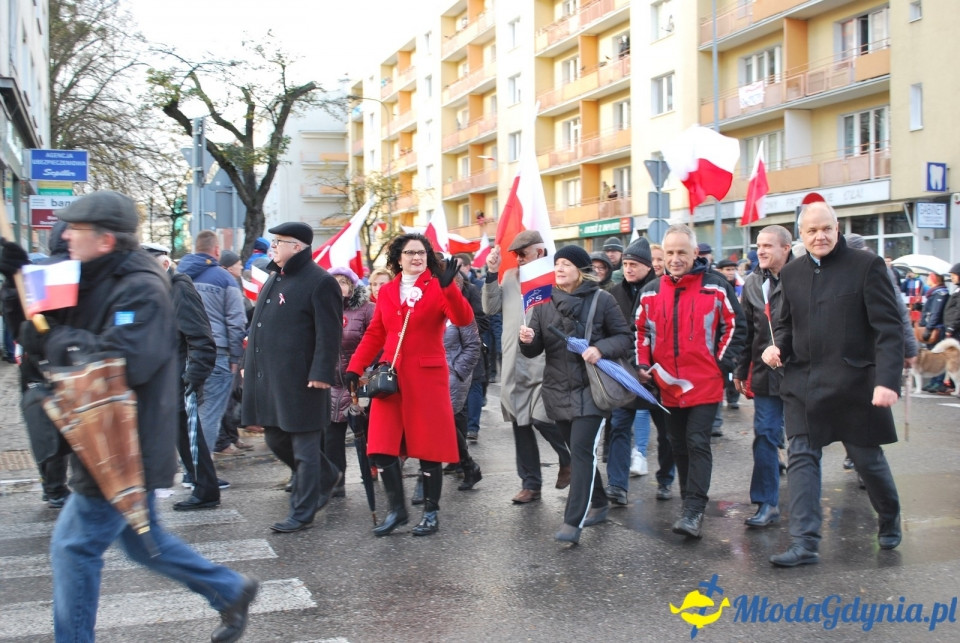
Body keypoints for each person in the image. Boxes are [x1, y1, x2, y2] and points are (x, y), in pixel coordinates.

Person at [0, 191, 257, 642]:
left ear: (104, 240)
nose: (66, 237)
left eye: (76, 230)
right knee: (143, 543)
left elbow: (123, 362)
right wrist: (16, 279)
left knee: (73, 548)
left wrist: (57, 338)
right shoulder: (81, 274)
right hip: (93, 432)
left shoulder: (141, 287)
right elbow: (34, 329)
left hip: (122, 444)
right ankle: (228, 588)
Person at [762, 202, 904, 567]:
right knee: (802, 456)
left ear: (837, 228)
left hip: (855, 383)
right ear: (802, 236)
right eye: (811, 231)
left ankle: (888, 515)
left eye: (826, 228)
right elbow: (787, 327)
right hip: (804, 383)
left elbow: (888, 330)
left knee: (867, 460)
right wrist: (776, 348)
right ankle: (804, 542)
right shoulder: (791, 274)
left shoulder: (866, 266)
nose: (819, 236)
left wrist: (887, 381)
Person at [345, 233, 474, 537]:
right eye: (410, 253)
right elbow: (377, 333)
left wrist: (450, 290)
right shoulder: (387, 291)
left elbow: (463, 317)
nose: (417, 258)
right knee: (380, 447)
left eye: (422, 253)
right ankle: (398, 511)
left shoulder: (438, 286)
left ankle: (431, 512)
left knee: (428, 448)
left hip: (427, 379)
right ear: (398, 258)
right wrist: (355, 366)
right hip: (390, 379)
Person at [635, 224, 746, 539]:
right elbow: (640, 332)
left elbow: (735, 326)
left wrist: (721, 364)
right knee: (677, 444)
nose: (675, 258)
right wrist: (642, 365)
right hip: (666, 385)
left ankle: (694, 510)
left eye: (682, 252)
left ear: (695, 253)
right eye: (669, 252)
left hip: (705, 384)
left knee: (697, 442)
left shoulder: (716, 286)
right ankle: (689, 506)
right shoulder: (651, 291)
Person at [519, 244, 633, 544]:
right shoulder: (543, 303)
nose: (559, 269)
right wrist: (527, 340)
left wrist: (600, 348)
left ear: (580, 270)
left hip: (592, 390)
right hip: (557, 391)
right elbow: (534, 350)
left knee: (582, 452)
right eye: (557, 264)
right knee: (578, 452)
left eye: (566, 264)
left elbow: (623, 338)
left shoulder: (602, 300)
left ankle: (572, 522)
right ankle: (599, 501)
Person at [242, 222, 344, 533]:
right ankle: (326, 476)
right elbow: (259, 327)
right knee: (275, 437)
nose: (273, 246)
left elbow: (330, 332)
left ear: (297, 247)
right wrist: (250, 363)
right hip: (272, 378)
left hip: (304, 380)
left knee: (305, 449)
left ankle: (302, 512)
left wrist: (322, 373)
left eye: (279, 241)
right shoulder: (275, 277)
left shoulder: (320, 281)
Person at [483, 230, 571, 503]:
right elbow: (490, 308)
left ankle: (569, 458)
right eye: (516, 255)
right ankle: (530, 483)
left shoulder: (553, 280)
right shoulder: (510, 277)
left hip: (542, 361)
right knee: (519, 423)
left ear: (540, 252)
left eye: (523, 254)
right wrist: (490, 273)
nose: (519, 260)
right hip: (512, 361)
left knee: (541, 417)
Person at [142, 242, 222, 511]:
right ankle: (203, 487)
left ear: (164, 264)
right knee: (183, 437)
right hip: (165, 379)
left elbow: (200, 337)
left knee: (190, 437)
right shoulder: (157, 291)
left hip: (181, 377)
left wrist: (192, 376)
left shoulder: (179, 289)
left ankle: (205, 490)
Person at [1, 220, 72, 508]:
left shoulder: (42, 275)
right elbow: (21, 319)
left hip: (43, 360)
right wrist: (14, 276)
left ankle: (53, 485)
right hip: (48, 361)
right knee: (50, 422)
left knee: (46, 422)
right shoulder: (55, 275)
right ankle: (54, 486)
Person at [607, 237, 675, 504]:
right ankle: (617, 485)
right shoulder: (613, 294)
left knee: (668, 432)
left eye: (634, 264)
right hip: (625, 375)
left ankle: (666, 479)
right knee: (619, 428)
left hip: (658, 375)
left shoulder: (663, 290)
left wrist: (649, 366)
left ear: (648, 267)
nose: (628, 269)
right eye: (625, 264)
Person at [733, 225, 793, 528]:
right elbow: (746, 332)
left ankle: (804, 505)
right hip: (766, 376)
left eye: (768, 245)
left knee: (803, 442)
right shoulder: (754, 283)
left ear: (786, 247)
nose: (761, 251)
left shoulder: (804, 277)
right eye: (758, 246)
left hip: (799, 374)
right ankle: (766, 503)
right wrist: (740, 370)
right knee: (766, 436)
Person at [178, 232, 247, 456]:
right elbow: (236, 322)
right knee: (209, 415)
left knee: (188, 413)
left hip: (182, 354)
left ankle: (190, 470)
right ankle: (200, 474)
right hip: (217, 354)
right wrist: (236, 358)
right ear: (217, 250)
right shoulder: (225, 279)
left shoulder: (175, 276)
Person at [327, 266, 375, 498]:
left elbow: (378, 343)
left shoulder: (367, 310)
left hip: (360, 384)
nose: (338, 285)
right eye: (333, 281)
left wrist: (363, 369)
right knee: (332, 439)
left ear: (352, 286)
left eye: (343, 281)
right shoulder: (323, 309)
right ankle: (336, 481)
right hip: (332, 385)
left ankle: (377, 474)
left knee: (367, 436)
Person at [919, 272, 950, 393]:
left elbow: (936, 313)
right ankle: (933, 381)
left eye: (929, 277)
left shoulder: (940, 293)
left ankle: (938, 381)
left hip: (936, 329)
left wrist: (929, 327)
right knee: (932, 356)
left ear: (934, 279)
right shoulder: (933, 293)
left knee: (937, 356)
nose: (927, 279)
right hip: (932, 327)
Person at [944, 264, 960, 340]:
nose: (952, 277)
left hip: (956, 329)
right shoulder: (957, 289)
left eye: (954, 275)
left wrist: (951, 327)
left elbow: (958, 311)